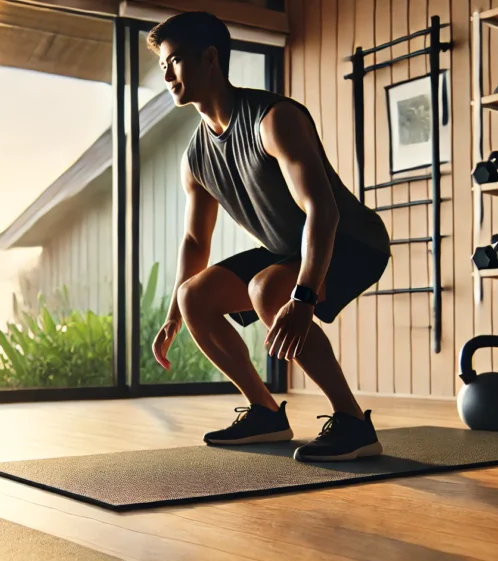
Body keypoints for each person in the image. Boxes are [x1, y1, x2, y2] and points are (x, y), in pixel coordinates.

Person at [147, 12, 391, 462]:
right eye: (163, 64)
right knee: (193, 296)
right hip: (288, 247)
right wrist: (173, 314)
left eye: (176, 60)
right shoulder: (196, 156)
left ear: (210, 59)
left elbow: (323, 209)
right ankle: (265, 413)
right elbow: (194, 241)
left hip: (353, 240)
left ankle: (354, 423)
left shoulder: (274, 119)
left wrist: (302, 298)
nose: (167, 74)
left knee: (268, 288)